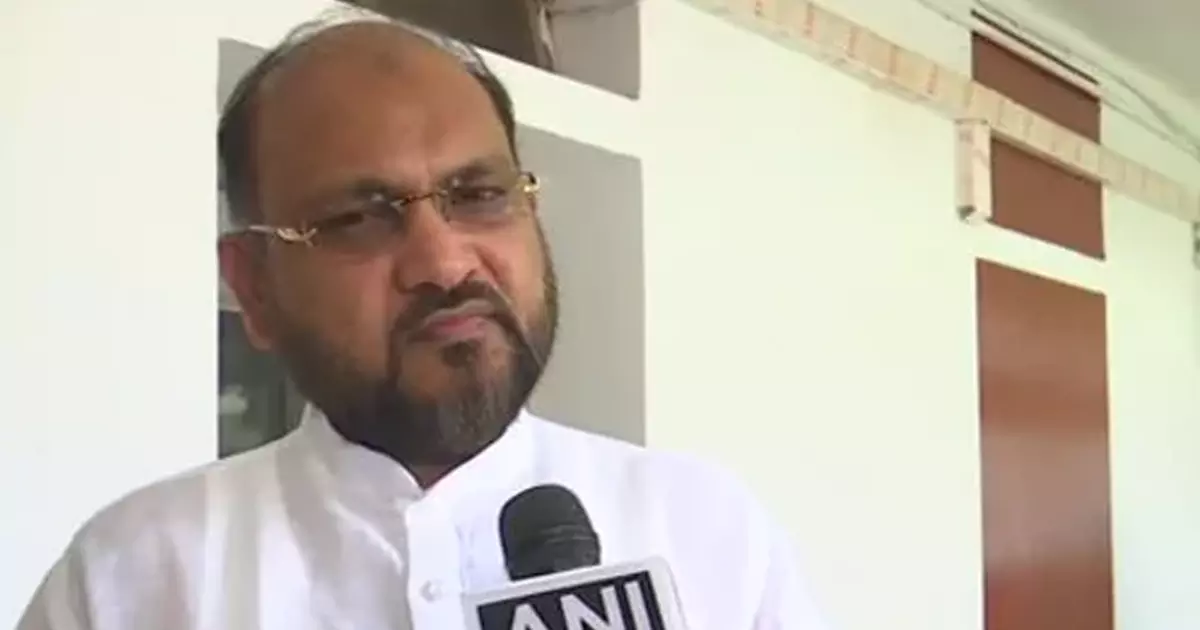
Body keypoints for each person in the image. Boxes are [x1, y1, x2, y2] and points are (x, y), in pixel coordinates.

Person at [17, 11, 828, 630]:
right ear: (254, 287)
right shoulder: (132, 579)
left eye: (479, 195)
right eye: (361, 217)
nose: (444, 262)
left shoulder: (707, 534)